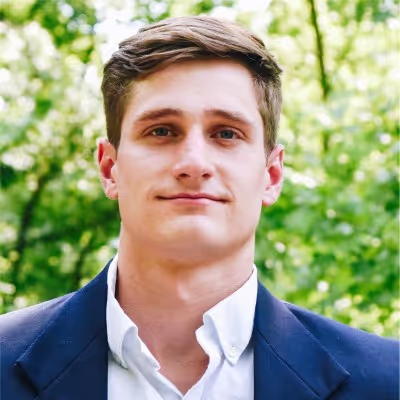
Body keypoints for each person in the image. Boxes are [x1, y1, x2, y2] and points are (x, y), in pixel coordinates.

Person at [0, 16, 398, 400]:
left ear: (271, 174)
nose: (193, 163)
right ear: (109, 168)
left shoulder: (387, 382)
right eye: (161, 130)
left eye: (226, 133)